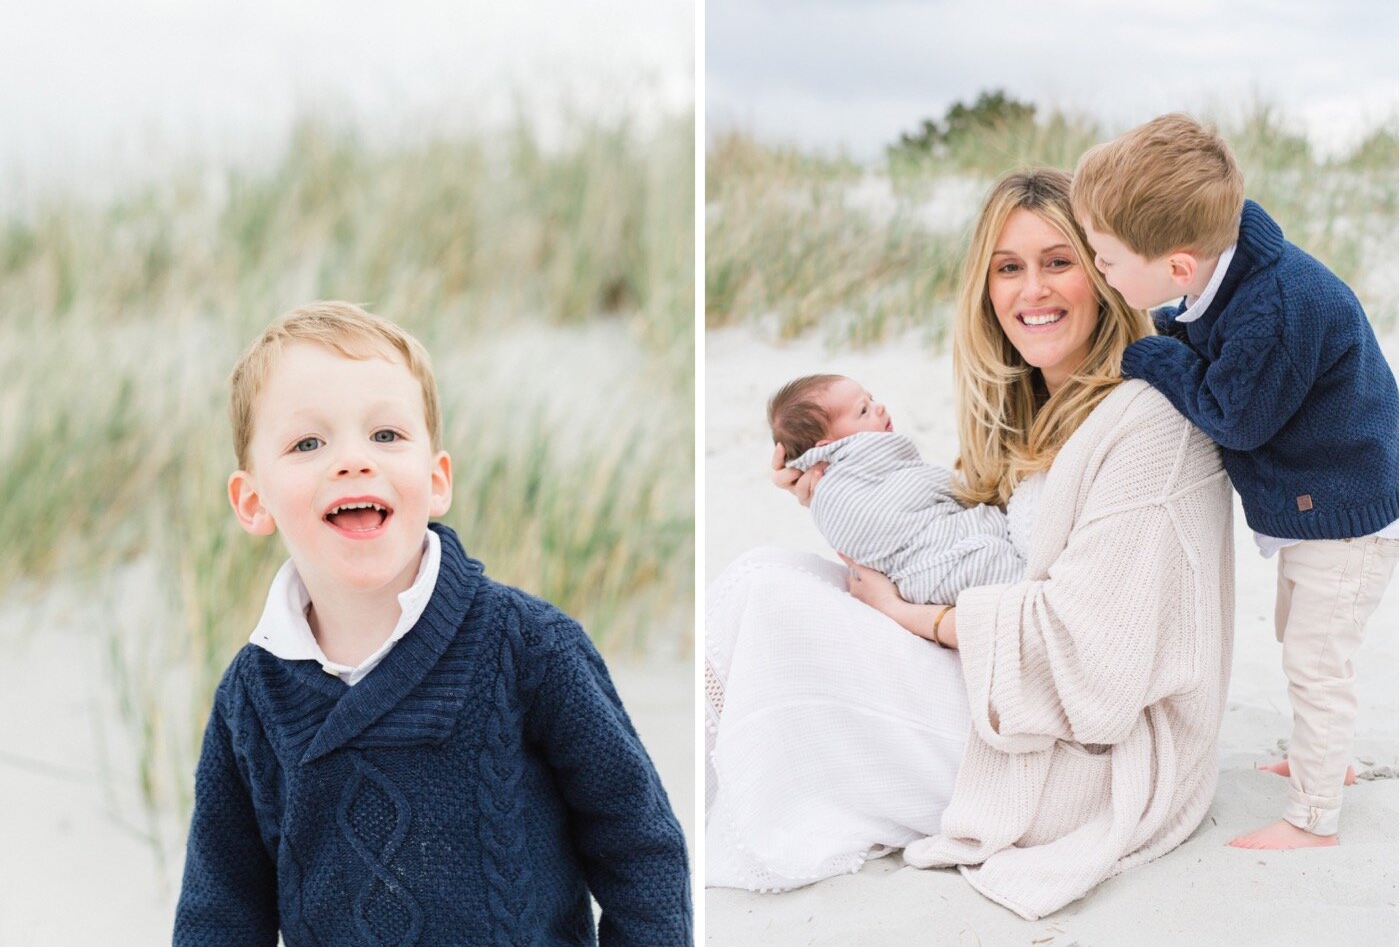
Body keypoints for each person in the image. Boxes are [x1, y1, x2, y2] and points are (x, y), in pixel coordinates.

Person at [706, 170, 1234, 921]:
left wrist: (911, 619)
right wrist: (831, 495)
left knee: (771, 603)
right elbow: (946, 544)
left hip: (1083, 755)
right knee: (769, 572)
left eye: (1059, 262)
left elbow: (1097, 661)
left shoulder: (1149, 423)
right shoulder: (1035, 408)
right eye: (1009, 268)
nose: (1033, 291)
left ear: (1106, 273)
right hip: (1006, 687)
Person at [174, 301, 691, 946]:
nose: (352, 460)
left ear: (436, 478)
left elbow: (638, 845)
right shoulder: (252, 697)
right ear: (253, 502)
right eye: (308, 443)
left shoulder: (526, 645)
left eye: (386, 435)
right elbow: (221, 906)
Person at [1071, 112, 1400, 851]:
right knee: (1299, 635)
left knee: (1317, 661)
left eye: (1106, 259)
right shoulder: (1232, 264)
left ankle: (1315, 817)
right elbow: (1204, 329)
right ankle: (1328, 759)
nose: (1102, 273)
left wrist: (1149, 355)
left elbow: (1233, 415)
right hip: (1327, 495)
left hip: (1346, 510)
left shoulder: (1276, 308)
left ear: (1178, 266)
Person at [767, 373, 1022, 606]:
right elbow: (929, 493)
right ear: (829, 445)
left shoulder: (846, 483)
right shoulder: (834, 492)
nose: (879, 407)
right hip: (944, 564)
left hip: (918, 585)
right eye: (863, 410)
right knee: (999, 566)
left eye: (872, 399)